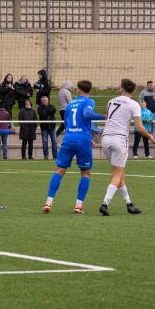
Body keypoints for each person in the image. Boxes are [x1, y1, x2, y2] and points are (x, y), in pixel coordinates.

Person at [43, 80, 105, 214]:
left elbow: (66, 123)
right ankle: (78, 206)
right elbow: (87, 115)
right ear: (89, 90)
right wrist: (104, 116)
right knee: (86, 172)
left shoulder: (70, 104)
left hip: (69, 138)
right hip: (82, 140)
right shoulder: (89, 102)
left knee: (59, 170)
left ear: (78, 90)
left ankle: (48, 202)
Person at [100, 79, 155, 216]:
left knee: (119, 173)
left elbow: (108, 117)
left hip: (105, 138)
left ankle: (129, 204)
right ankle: (105, 203)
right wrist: (150, 136)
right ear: (133, 91)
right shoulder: (134, 104)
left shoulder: (111, 101)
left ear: (120, 89)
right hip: (119, 139)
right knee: (117, 174)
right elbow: (140, 127)